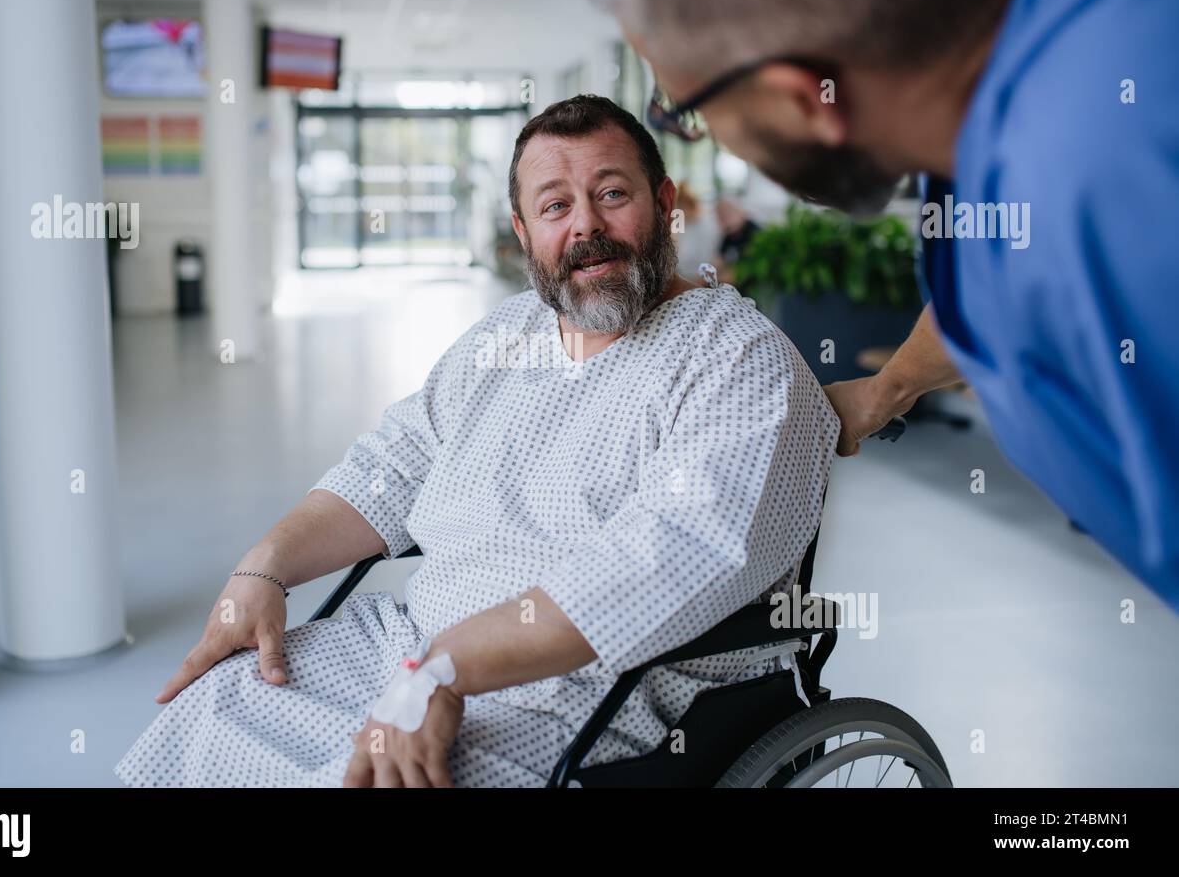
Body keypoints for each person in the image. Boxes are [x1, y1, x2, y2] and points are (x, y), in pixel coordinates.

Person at [113, 95, 838, 787]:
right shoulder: (507, 334)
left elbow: (659, 567)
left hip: (589, 691)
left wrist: (445, 671)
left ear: (665, 203)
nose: (586, 226)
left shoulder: (737, 360)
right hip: (413, 644)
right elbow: (390, 467)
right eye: (555, 206)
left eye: (612, 194)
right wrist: (262, 571)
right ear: (524, 234)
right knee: (218, 704)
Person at [580, 0, 1179, 610]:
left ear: (803, 98)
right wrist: (884, 391)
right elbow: (982, 300)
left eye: (690, 110)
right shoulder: (1015, 78)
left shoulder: (1094, 188)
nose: (712, 138)